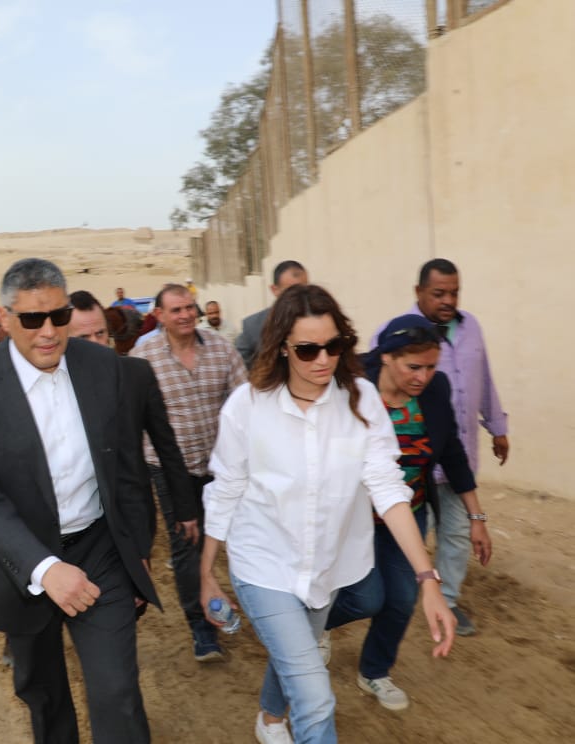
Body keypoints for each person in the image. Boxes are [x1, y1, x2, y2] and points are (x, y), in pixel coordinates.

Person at [201, 285, 456, 744]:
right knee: (316, 697)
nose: (323, 359)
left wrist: (427, 578)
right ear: (283, 347)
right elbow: (226, 489)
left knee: (296, 653)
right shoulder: (248, 405)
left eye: (334, 346)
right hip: (264, 564)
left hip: (327, 566)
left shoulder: (361, 399)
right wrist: (205, 574)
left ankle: (270, 719)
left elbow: (387, 487)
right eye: (308, 349)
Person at [0, 259, 160, 744]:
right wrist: (44, 568)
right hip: (20, 563)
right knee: (43, 695)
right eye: (32, 318)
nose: (48, 331)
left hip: (100, 551)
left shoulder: (102, 367)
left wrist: (137, 550)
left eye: (59, 316)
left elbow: (126, 467)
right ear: (4, 318)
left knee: (118, 691)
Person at [325, 315, 493, 712]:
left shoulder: (435, 391)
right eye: (413, 367)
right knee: (366, 598)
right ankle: (313, 627)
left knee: (401, 599)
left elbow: (451, 452)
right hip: (354, 518)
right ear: (386, 357)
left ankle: (374, 671)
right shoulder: (349, 389)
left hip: (407, 513)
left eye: (431, 367)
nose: (423, 377)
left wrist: (476, 518)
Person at [372, 258, 509, 635]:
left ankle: (445, 599)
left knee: (457, 532)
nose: (448, 300)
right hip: (408, 470)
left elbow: (484, 378)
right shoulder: (393, 335)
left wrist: (496, 426)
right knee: (406, 537)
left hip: (455, 454)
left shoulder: (471, 327)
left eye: (454, 292)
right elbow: (371, 387)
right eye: (439, 293)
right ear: (418, 292)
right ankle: (396, 592)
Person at [131, 284, 247, 662]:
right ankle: (201, 627)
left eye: (188, 308)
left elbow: (245, 404)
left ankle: (256, 607)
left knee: (239, 538)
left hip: (220, 466)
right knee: (186, 545)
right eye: (175, 310)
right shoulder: (143, 358)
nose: (185, 315)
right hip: (169, 470)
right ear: (159, 316)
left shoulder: (222, 350)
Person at [69, 290, 196, 545]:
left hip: (132, 519)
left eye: (100, 333)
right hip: (73, 525)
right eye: (84, 337)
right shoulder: (53, 387)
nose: (96, 343)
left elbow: (167, 446)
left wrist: (185, 509)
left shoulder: (137, 374)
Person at [236, 260, 308, 369]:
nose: (300, 296)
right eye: (292, 291)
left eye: (305, 290)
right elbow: (240, 369)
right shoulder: (253, 327)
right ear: (275, 290)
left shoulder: (321, 321)